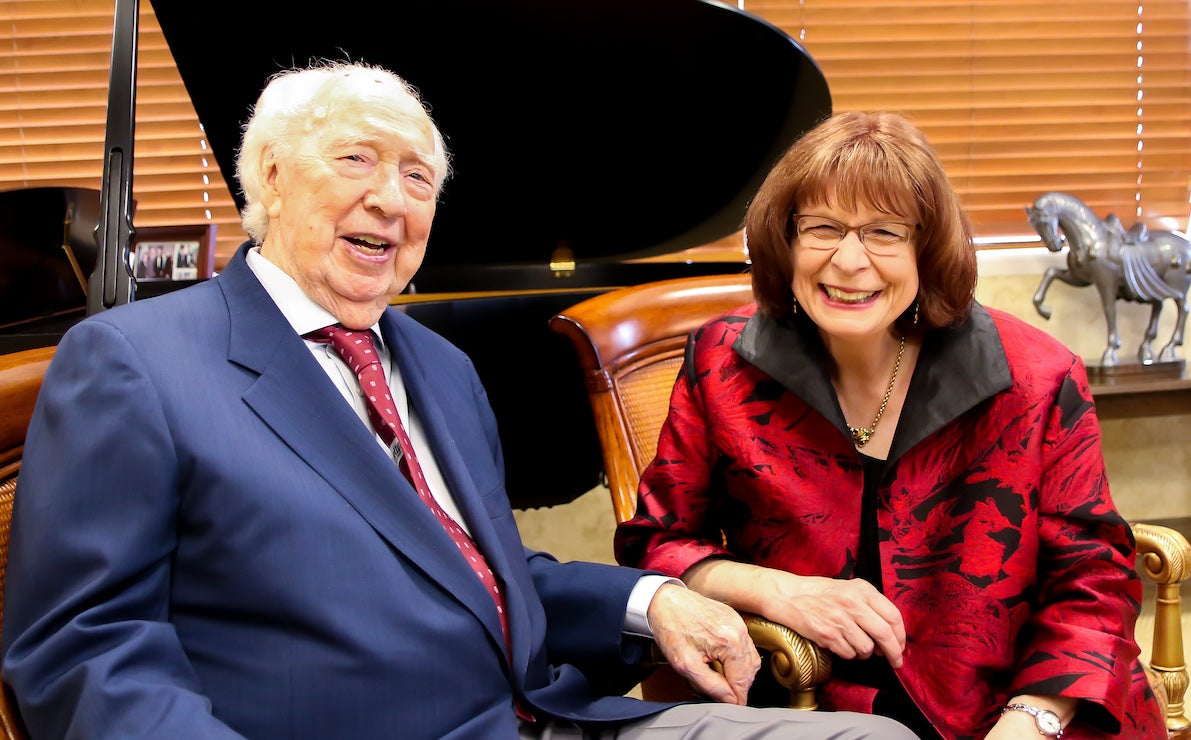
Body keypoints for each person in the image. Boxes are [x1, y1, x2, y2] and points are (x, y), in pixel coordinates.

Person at [0, 62, 916, 740]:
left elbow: (488, 577)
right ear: (269, 176)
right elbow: (83, 647)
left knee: (865, 737)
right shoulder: (133, 362)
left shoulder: (439, 365)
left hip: (550, 717)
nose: (390, 199)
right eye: (357, 159)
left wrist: (653, 604)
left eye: (418, 177)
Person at [614, 111, 1167, 739]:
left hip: (1019, 706)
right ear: (786, 240)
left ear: (926, 252)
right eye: (822, 227)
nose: (849, 261)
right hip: (811, 706)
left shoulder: (1036, 377)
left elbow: (1094, 580)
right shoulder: (721, 363)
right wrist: (779, 592)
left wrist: (1033, 717)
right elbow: (654, 542)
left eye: (884, 233)